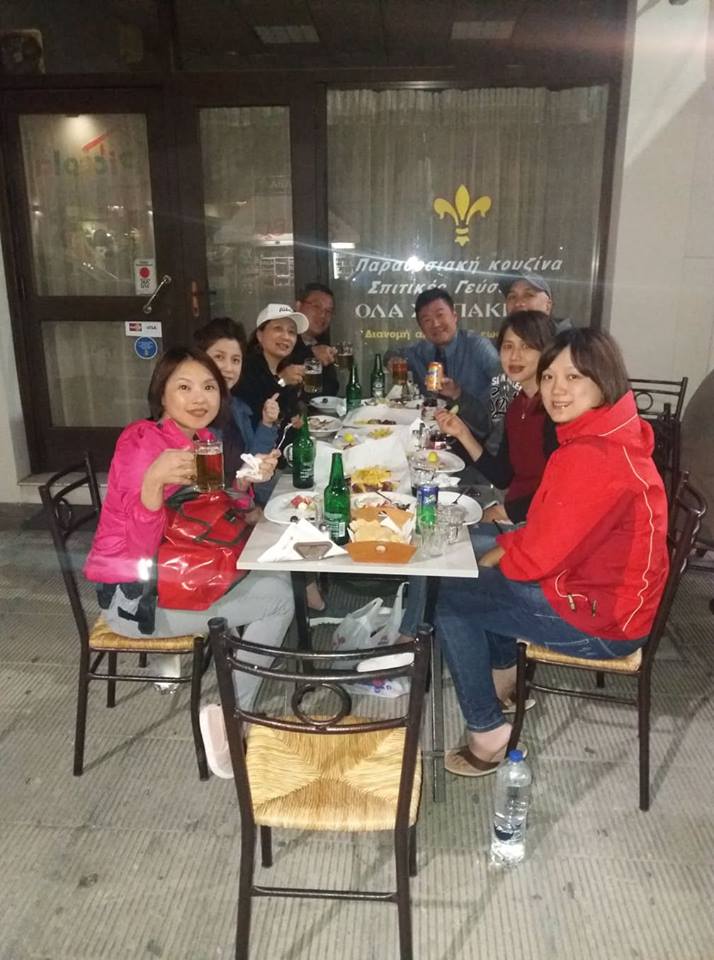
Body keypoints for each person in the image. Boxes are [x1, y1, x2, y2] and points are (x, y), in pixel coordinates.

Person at [435, 328, 669, 777]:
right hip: (598, 590)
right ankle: (505, 676)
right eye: (550, 377)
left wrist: (495, 556)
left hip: (603, 621)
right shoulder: (606, 432)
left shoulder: (593, 455)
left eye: (574, 377)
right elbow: (547, 534)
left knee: (447, 594)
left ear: (603, 380)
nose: (557, 389)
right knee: (470, 552)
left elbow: (534, 560)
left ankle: (488, 733)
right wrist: (500, 549)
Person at [84, 346, 294, 705]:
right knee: (279, 599)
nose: (199, 398)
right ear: (161, 393)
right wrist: (153, 483)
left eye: (209, 387)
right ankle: (233, 712)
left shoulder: (204, 440)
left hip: (184, 572)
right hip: (136, 599)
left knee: (279, 569)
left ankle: (244, 667)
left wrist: (246, 480)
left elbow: (214, 508)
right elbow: (138, 551)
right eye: (184, 387)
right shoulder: (142, 443)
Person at [398, 311, 557, 640]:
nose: (514, 356)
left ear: (548, 351)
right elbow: (503, 474)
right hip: (515, 513)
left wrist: (507, 511)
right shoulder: (518, 405)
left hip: (536, 528)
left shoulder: (554, 411)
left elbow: (559, 493)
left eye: (526, 347)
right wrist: (462, 432)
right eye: (508, 346)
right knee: (427, 529)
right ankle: (417, 633)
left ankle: (411, 638)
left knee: (430, 546)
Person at [388, 288, 501, 440]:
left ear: (454, 316)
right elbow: (393, 352)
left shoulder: (478, 346)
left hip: (478, 438)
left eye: (440, 315)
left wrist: (457, 393)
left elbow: (507, 388)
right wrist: (392, 360)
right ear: (421, 328)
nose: (435, 324)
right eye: (427, 320)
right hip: (435, 436)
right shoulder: (422, 350)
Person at [193, 316, 279, 506]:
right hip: (211, 516)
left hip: (239, 507)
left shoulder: (238, 409)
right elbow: (195, 497)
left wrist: (266, 423)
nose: (228, 368)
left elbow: (251, 463)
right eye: (219, 357)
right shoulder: (191, 415)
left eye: (235, 360)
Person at [234, 303, 310, 426]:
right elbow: (257, 415)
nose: (286, 337)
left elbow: (289, 411)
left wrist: (296, 414)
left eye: (291, 331)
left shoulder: (286, 366)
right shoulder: (246, 369)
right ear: (260, 335)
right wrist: (282, 381)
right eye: (278, 328)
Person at [285, 282, 340, 396]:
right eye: (316, 306)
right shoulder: (282, 338)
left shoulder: (321, 343)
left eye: (328, 311)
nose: (323, 315)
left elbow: (332, 388)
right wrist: (311, 354)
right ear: (298, 306)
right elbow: (276, 375)